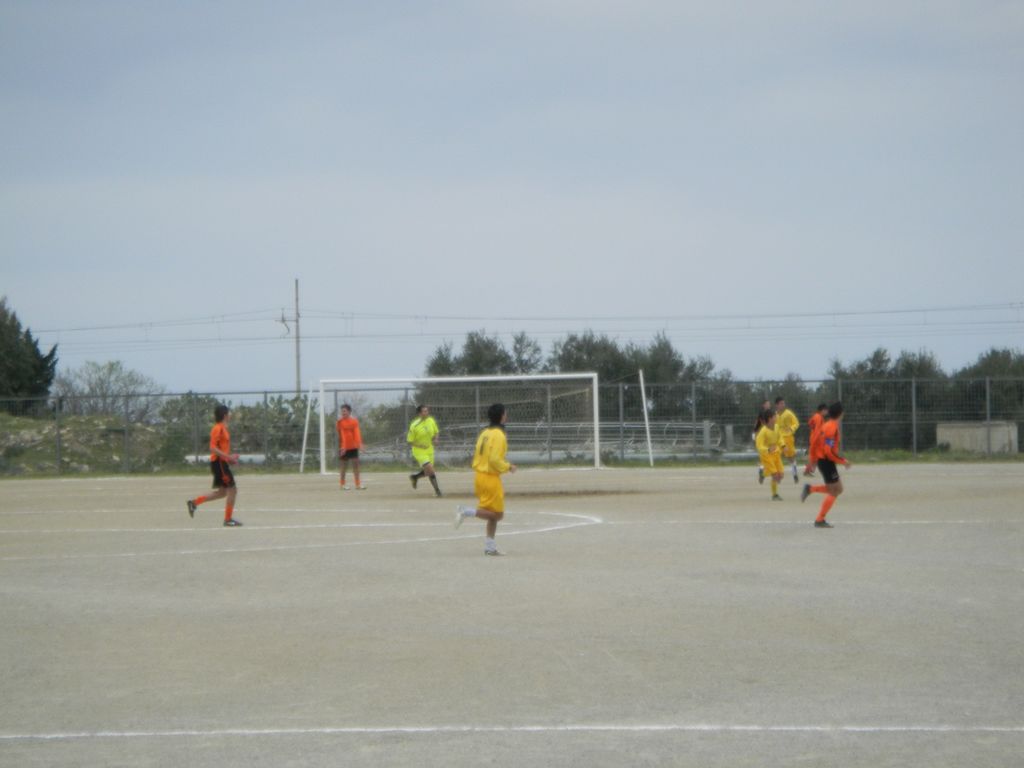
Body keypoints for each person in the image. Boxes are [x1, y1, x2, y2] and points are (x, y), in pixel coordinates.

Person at [455, 403, 517, 555]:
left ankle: (490, 547)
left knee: (492, 515)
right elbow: (494, 459)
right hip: (490, 478)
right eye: (505, 413)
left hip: (480, 476)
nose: (506, 416)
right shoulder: (499, 435)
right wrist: (508, 466)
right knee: (497, 515)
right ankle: (466, 511)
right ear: (501, 416)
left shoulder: (485, 432)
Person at [186, 404, 242, 526]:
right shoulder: (218, 428)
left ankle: (194, 503)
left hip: (221, 463)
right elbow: (213, 448)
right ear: (225, 415)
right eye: (229, 413)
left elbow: (221, 449)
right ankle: (228, 520)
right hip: (219, 463)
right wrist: (228, 457)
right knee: (232, 490)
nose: (230, 415)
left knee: (223, 492)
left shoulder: (223, 428)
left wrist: (229, 459)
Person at [801, 401, 851, 528]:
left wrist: (812, 461)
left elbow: (815, 443)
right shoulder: (831, 427)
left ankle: (810, 489)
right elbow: (828, 451)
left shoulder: (826, 425)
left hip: (824, 461)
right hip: (827, 461)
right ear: (841, 413)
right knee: (836, 490)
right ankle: (819, 519)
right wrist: (843, 461)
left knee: (836, 489)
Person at [407, 404, 441, 497]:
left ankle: (415, 477)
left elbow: (436, 432)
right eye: (424, 411)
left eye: (427, 411)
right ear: (419, 413)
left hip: (429, 450)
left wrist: (436, 439)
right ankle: (438, 491)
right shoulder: (414, 425)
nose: (427, 413)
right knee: (431, 469)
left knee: (428, 472)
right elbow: (410, 441)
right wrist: (420, 445)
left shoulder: (431, 420)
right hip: (419, 451)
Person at [755, 409, 784, 501]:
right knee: (775, 475)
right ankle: (774, 495)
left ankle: (763, 474)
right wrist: (767, 449)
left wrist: (783, 445)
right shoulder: (763, 432)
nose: (776, 417)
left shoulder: (776, 427)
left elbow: (780, 438)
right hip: (766, 456)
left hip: (776, 454)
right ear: (770, 418)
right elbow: (759, 446)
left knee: (781, 475)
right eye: (775, 416)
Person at [336, 404, 365, 490]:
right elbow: (342, 435)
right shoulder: (340, 422)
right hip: (343, 447)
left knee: (356, 465)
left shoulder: (354, 421)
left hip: (353, 447)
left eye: (344, 411)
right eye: (342, 411)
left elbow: (357, 433)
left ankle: (358, 484)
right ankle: (342, 484)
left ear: (349, 412)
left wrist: (360, 444)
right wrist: (343, 447)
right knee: (343, 467)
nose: (343, 413)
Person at [773, 397, 801, 483]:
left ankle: (795, 474)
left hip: (788, 438)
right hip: (778, 439)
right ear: (777, 405)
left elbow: (796, 423)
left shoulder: (788, 413)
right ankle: (778, 476)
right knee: (776, 456)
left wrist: (792, 428)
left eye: (783, 403)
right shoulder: (775, 415)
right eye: (781, 403)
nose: (783, 405)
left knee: (791, 457)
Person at [803, 403, 829, 476]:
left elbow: (810, 423)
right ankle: (809, 470)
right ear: (822, 410)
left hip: (814, 439)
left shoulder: (815, 416)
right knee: (817, 457)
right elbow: (818, 431)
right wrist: (815, 440)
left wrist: (813, 431)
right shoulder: (819, 417)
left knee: (815, 457)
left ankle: (808, 470)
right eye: (826, 410)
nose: (827, 412)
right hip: (816, 441)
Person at [753, 399, 771, 484]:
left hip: (768, 436)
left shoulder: (771, 413)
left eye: (769, 404)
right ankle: (762, 470)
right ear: (763, 405)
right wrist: (754, 433)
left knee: (767, 454)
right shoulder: (762, 413)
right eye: (767, 404)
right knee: (764, 454)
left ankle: (762, 469)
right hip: (762, 436)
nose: (768, 405)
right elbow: (757, 424)